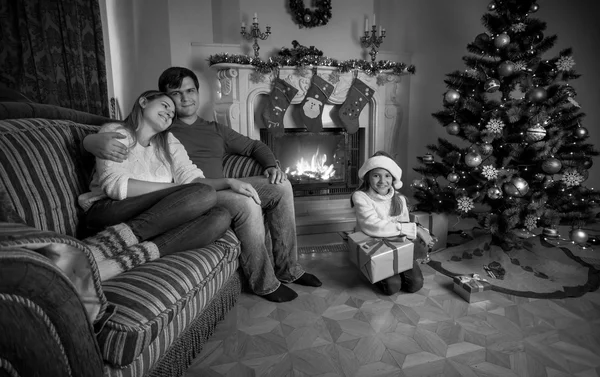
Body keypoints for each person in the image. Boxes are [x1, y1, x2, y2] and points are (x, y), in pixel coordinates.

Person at [83, 68, 321, 302]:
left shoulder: (190, 134)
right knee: (237, 202)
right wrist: (89, 141)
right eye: (174, 95)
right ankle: (265, 283)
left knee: (279, 187)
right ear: (150, 100)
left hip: (196, 191)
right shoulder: (151, 130)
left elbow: (247, 150)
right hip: (182, 198)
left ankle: (289, 268)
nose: (184, 99)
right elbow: (114, 164)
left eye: (190, 90)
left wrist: (270, 167)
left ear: (198, 92)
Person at [78, 90, 232, 281]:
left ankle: (132, 257)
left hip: (152, 214)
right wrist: (175, 190)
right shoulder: (117, 131)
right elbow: (116, 187)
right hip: (107, 209)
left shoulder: (169, 141)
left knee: (220, 216)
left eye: (172, 113)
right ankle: (107, 245)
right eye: (165, 106)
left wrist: (228, 181)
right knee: (205, 194)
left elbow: (192, 180)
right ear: (143, 102)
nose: (169, 113)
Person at [351, 151, 435, 295]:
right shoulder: (360, 196)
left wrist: (420, 232)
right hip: (374, 246)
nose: (382, 181)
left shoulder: (399, 199)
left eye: (387, 176)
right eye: (376, 175)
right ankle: (370, 269)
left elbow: (404, 226)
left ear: (393, 178)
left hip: (396, 244)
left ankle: (399, 268)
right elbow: (373, 226)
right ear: (368, 177)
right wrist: (414, 228)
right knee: (392, 287)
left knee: (415, 284)